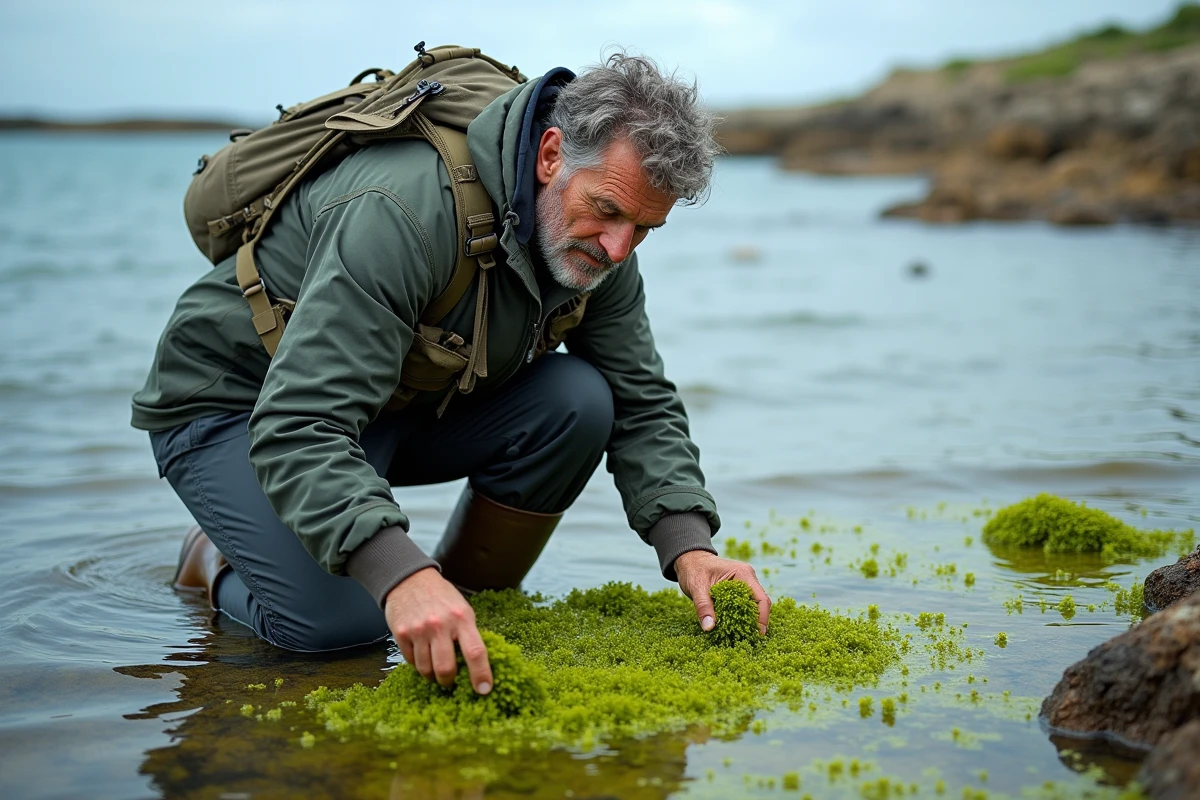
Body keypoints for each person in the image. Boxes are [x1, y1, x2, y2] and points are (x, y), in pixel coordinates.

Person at [133, 51, 770, 696]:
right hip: (240, 407)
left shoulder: (604, 243)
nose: (617, 248)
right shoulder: (399, 209)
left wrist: (690, 546)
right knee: (339, 632)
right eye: (606, 210)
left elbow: (641, 400)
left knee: (581, 399)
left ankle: (459, 610)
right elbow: (298, 422)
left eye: (643, 228)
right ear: (551, 155)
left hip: (391, 405)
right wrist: (397, 572)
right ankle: (214, 557)